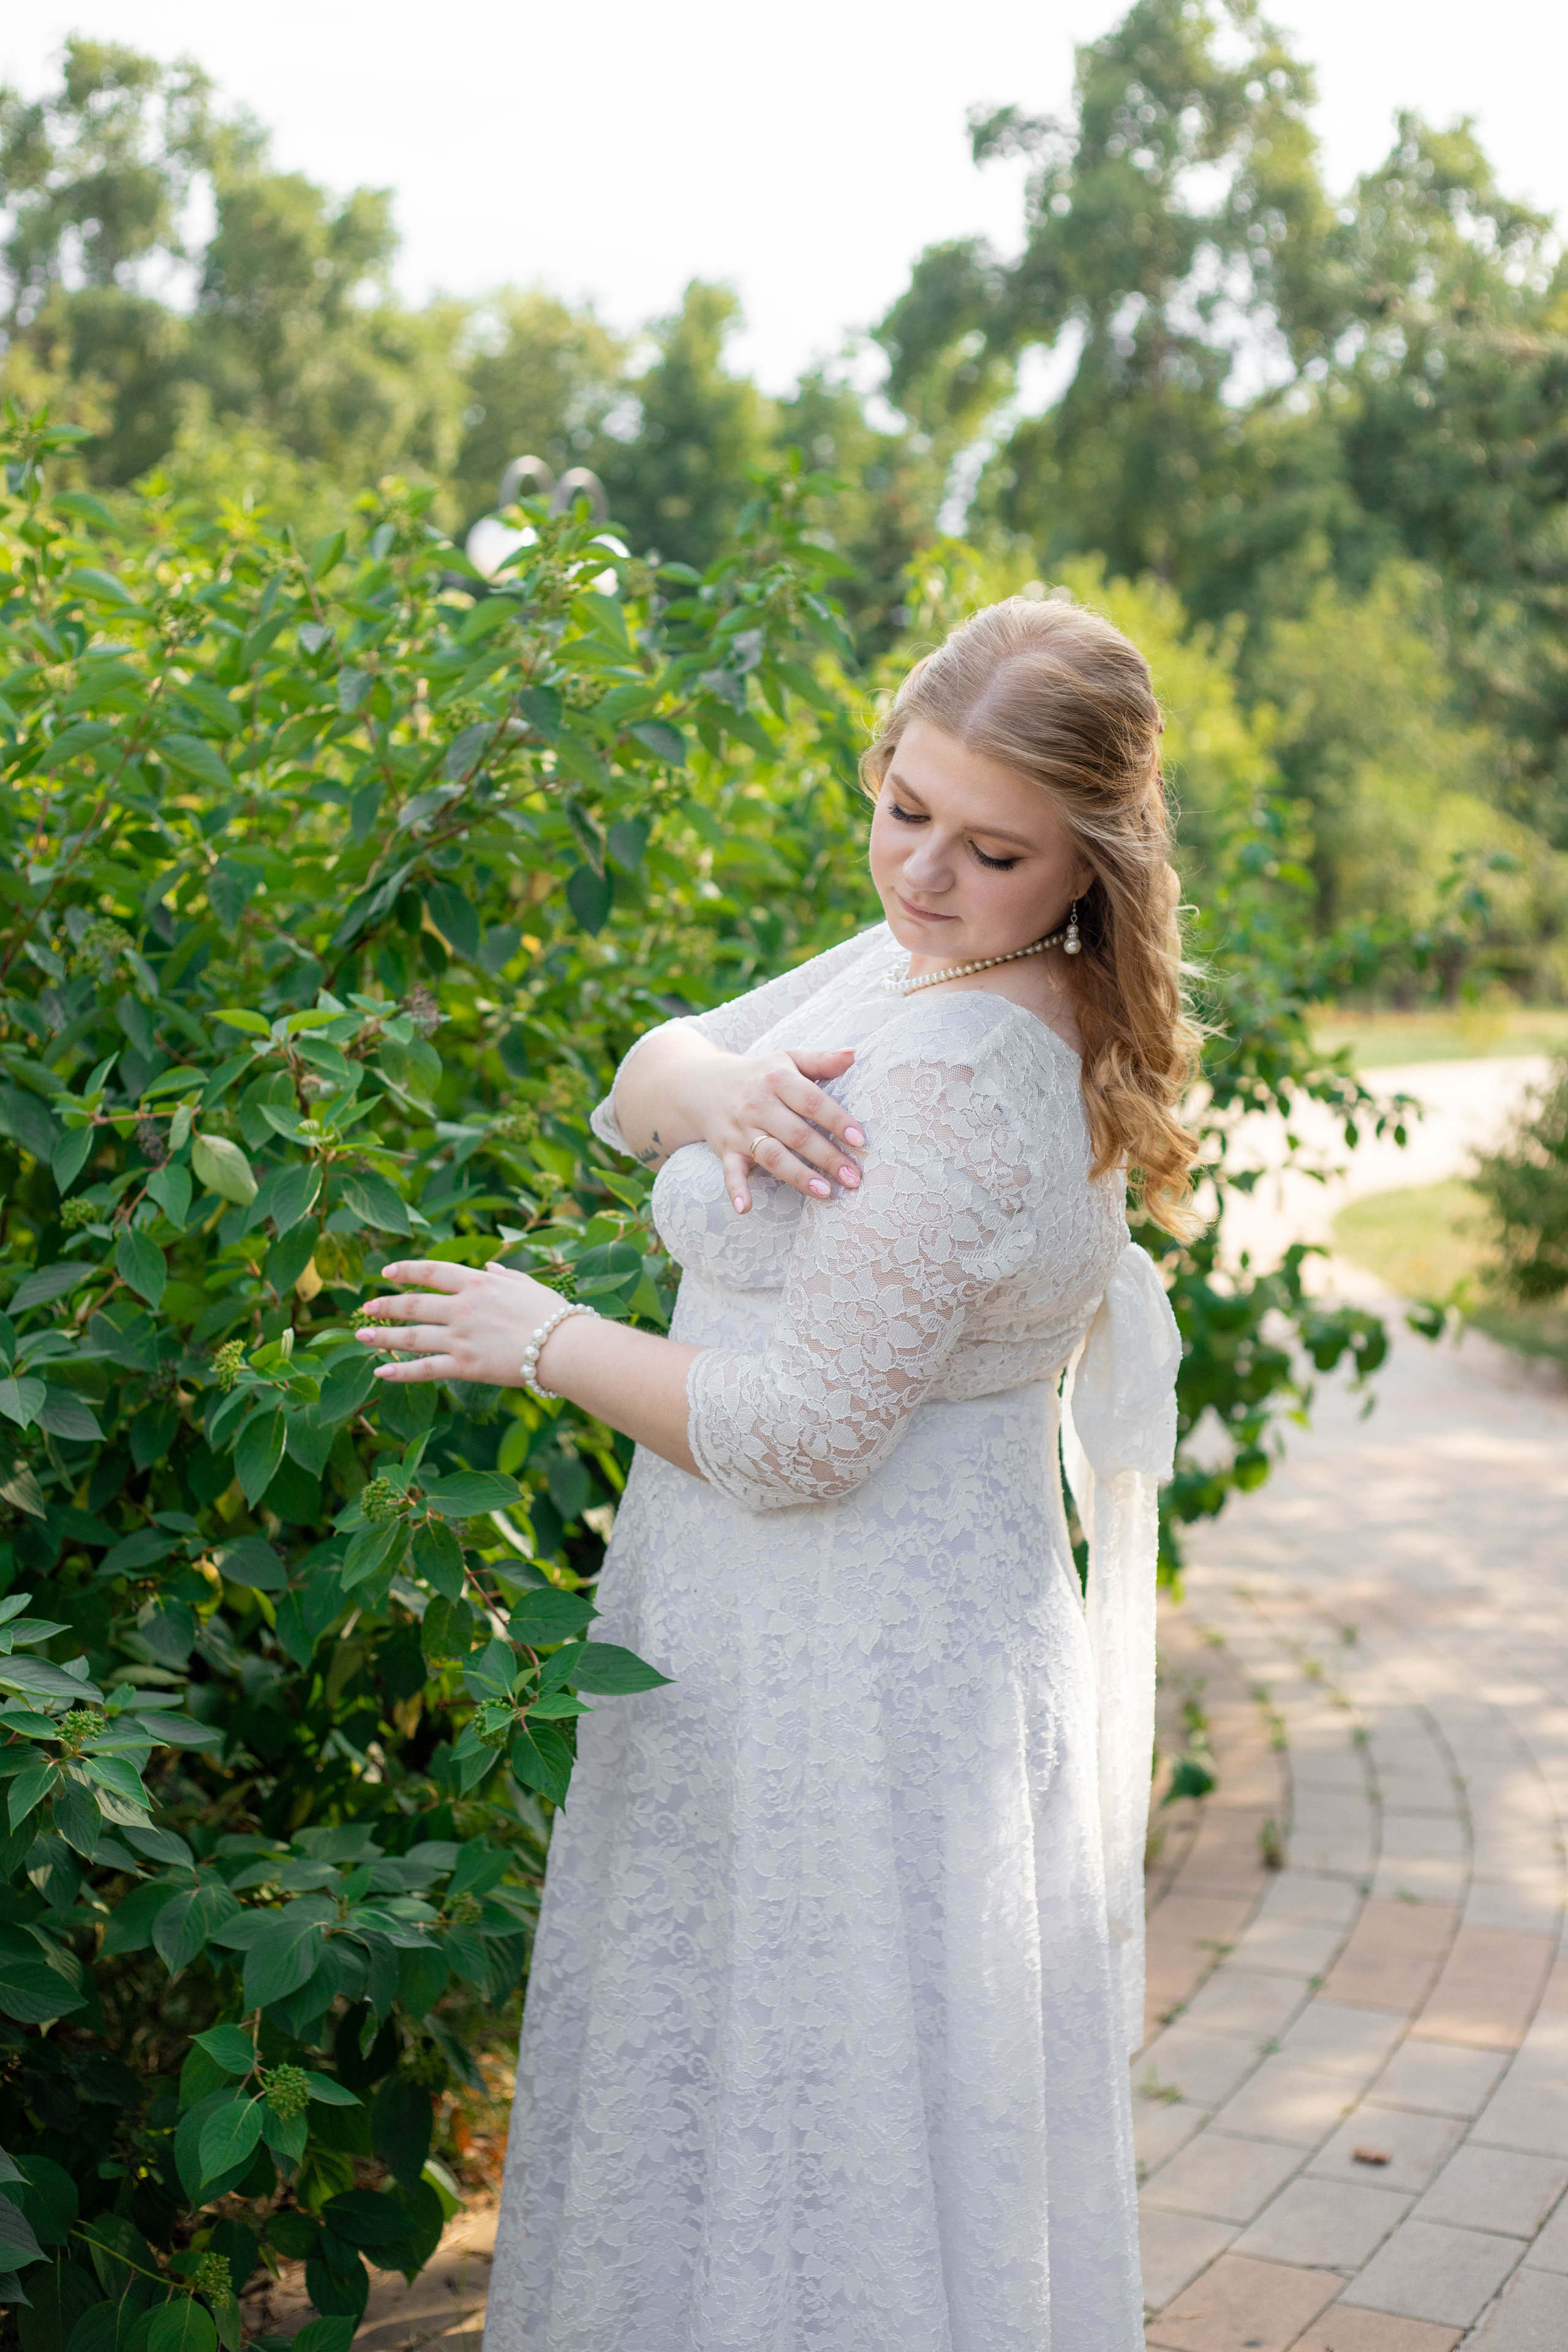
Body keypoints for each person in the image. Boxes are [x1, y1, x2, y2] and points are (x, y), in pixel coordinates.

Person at [358, 594, 1202, 2351]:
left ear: (1089, 867)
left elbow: (797, 1436)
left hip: (838, 1658)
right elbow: (638, 1076)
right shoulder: (934, 966)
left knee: (818, 2105)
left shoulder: (968, 1070)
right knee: (807, 2093)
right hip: (859, 1637)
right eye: (905, 809)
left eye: (990, 848)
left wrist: (539, 1334)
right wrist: (721, 1081)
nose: (922, 870)